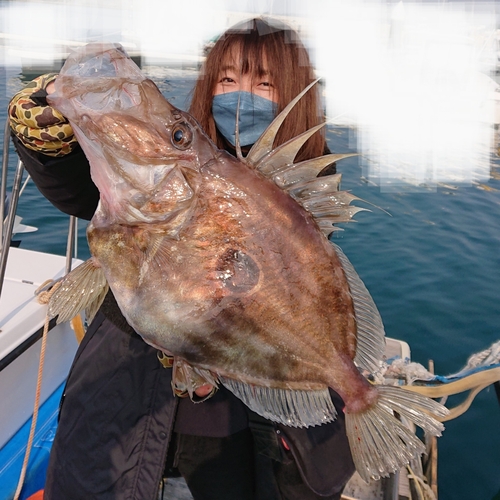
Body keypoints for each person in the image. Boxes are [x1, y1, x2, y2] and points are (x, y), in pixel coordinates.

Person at [9, 17, 355, 500]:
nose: (241, 93)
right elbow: (82, 192)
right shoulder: (172, 160)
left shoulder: (298, 188)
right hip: (136, 400)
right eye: (228, 78)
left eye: (265, 82)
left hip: (246, 420)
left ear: (292, 94)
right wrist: (46, 144)